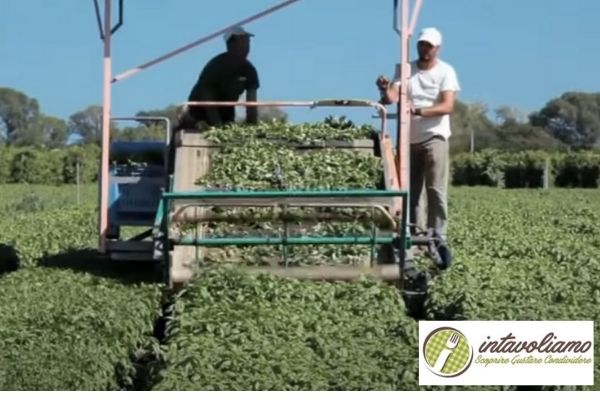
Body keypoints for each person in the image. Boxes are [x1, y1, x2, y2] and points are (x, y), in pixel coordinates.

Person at [376, 27, 460, 242]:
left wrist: (418, 110)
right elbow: (391, 98)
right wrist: (385, 89)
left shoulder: (445, 72)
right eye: (422, 44)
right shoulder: (405, 70)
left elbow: (447, 106)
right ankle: (414, 234)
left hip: (434, 135)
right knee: (410, 192)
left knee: (435, 190)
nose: (425, 49)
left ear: (437, 49)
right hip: (408, 139)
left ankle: (437, 236)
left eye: (429, 46)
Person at [179, 25, 260, 130]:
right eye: (243, 42)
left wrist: (252, 128)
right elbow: (207, 96)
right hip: (199, 113)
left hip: (227, 113)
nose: (247, 46)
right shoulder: (215, 66)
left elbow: (252, 104)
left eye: (248, 42)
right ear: (231, 44)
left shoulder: (250, 70)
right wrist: (217, 126)